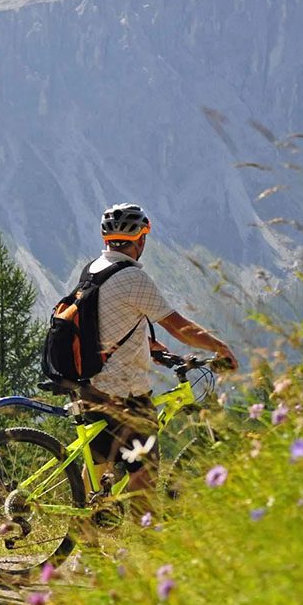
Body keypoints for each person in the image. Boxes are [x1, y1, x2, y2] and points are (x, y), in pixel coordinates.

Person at [80, 203, 238, 507]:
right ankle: (145, 544)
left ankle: (88, 545)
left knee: (98, 466)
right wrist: (221, 348)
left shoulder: (92, 270)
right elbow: (179, 327)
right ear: (141, 239)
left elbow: (103, 321)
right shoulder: (132, 277)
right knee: (145, 471)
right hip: (125, 390)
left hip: (91, 384)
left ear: (106, 240)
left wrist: (146, 346)